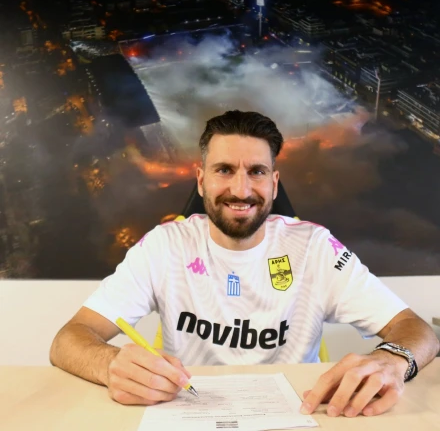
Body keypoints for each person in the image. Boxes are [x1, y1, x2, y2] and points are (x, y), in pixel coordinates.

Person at [50, 110, 439, 418]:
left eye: (256, 172)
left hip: (297, 415)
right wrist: (110, 364)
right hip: (187, 414)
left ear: (274, 183)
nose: (241, 189)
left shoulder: (316, 248)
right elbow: (68, 339)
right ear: (201, 180)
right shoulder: (163, 245)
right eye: (224, 170)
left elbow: (418, 331)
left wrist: (390, 361)